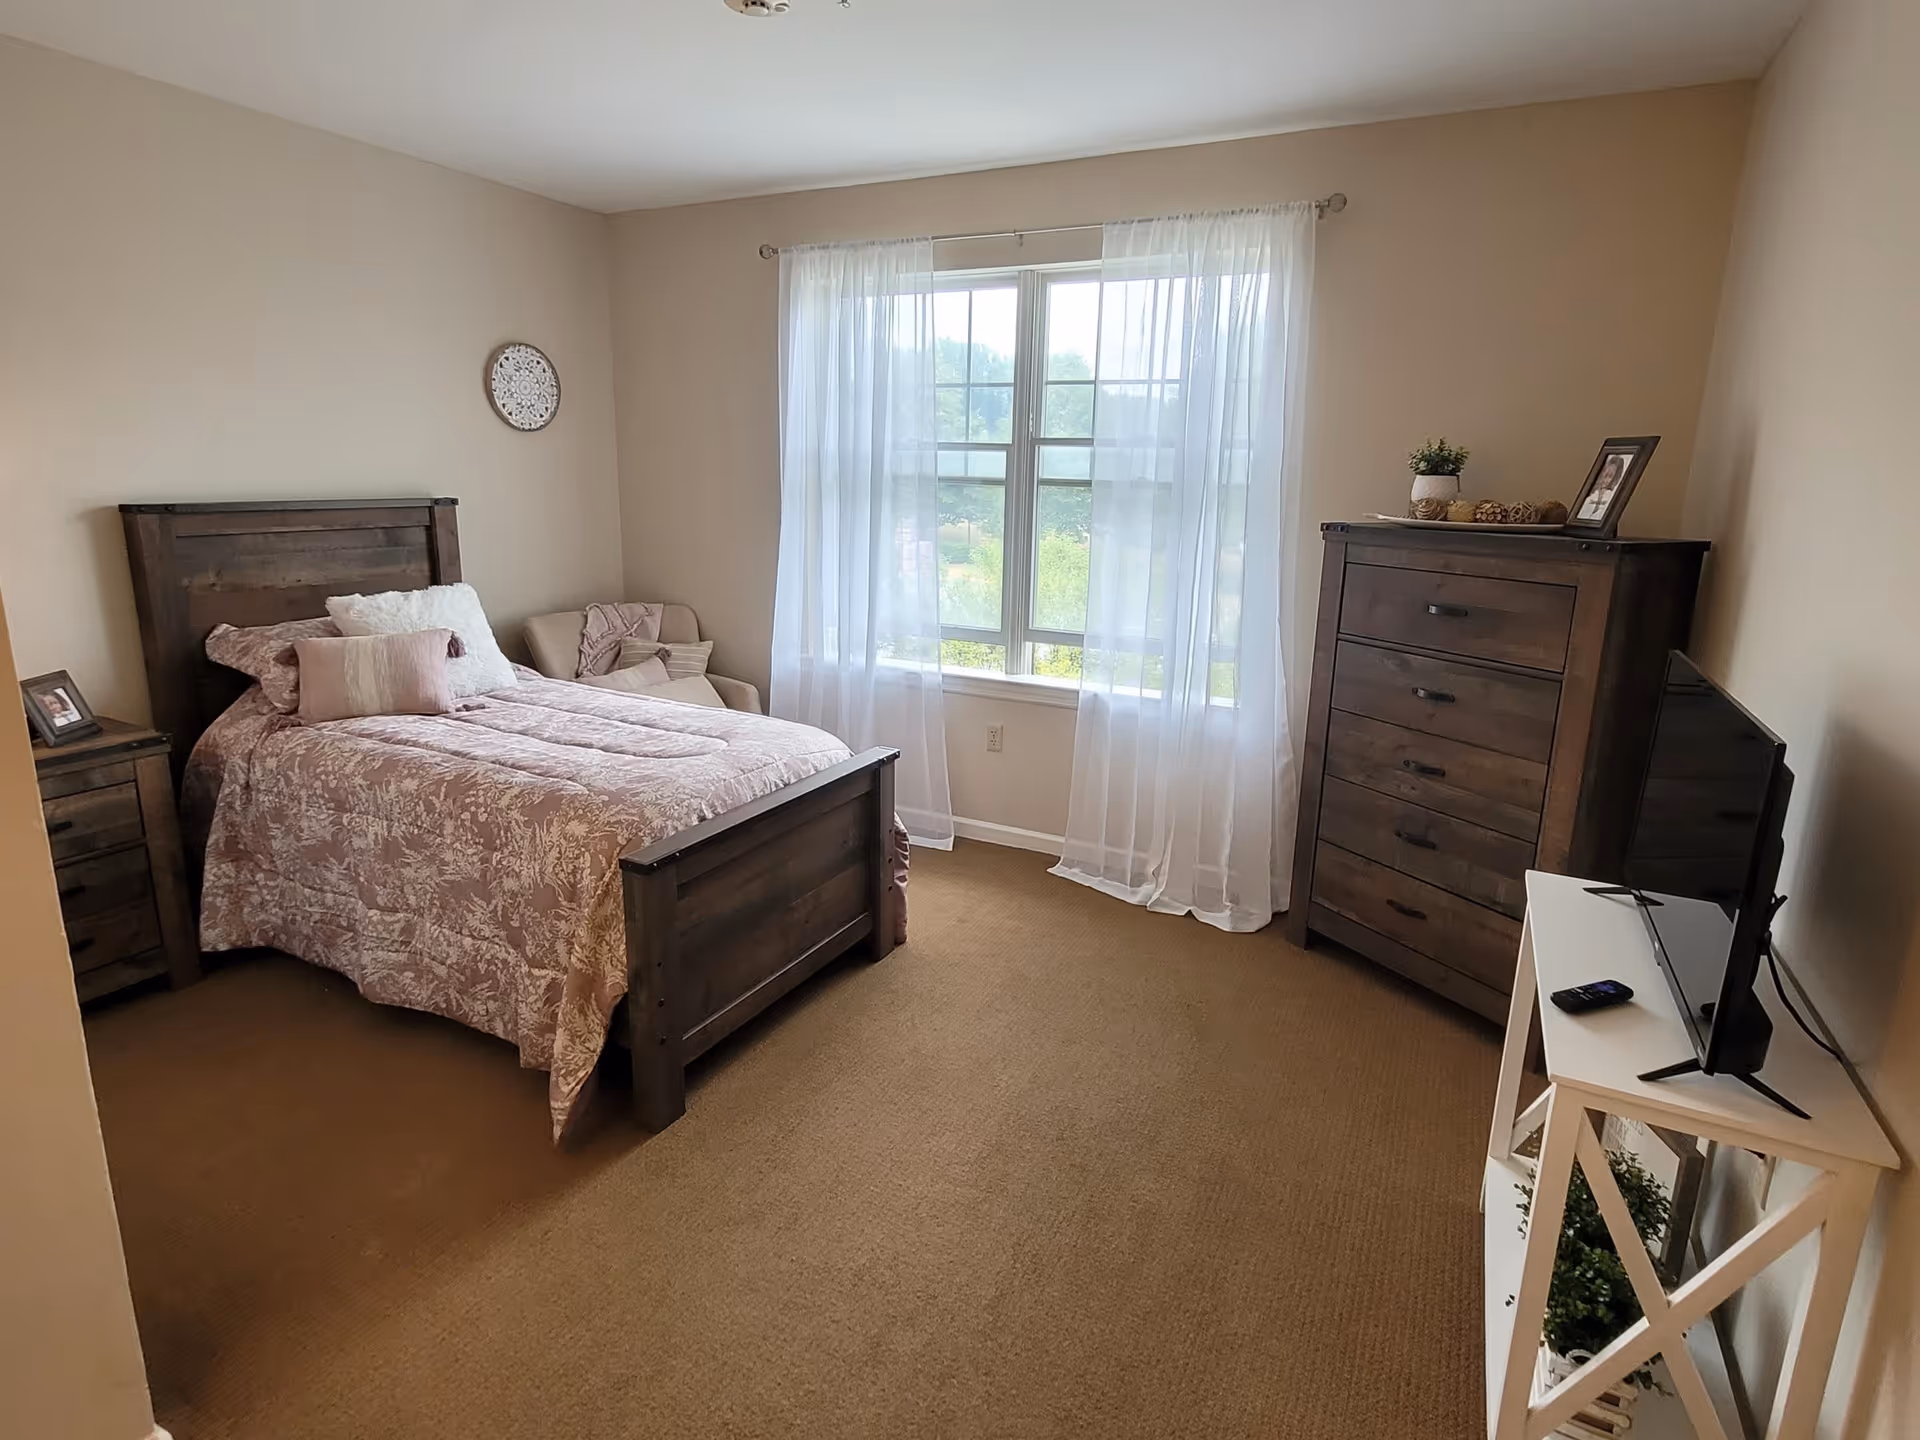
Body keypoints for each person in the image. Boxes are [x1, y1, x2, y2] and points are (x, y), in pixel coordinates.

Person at [1580, 453, 1628, 522]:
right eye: (1604, 473)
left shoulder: (1611, 499)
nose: (1604, 478)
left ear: (1615, 478)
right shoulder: (1590, 497)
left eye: (1609, 476)